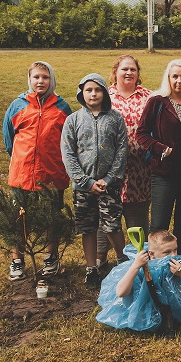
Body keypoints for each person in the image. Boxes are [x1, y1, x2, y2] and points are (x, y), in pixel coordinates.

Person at [3, 61, 72, 281]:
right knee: (20, 218)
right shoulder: (18, 105)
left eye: (45, 77)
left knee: (52, 217)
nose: (40, 81)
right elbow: (9, 139)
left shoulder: (62, 108)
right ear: (29, 79)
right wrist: (22, 159)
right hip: (23, 174)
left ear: (52, 80)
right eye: (36, 77)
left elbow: (69, 141)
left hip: (52, 174)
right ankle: (17, 261)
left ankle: (50, 258)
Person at [61, 74, 129, 288]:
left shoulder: (116, 119)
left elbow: (122, 150)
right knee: (88, 227)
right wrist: (86, 182)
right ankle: (91, 268)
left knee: (112, 225)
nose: (93, 94)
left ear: (105, 93)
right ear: (81, 93)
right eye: (88, 90)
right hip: (84, 187)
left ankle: (122, 261)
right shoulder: (73, 120)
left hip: (110, 185)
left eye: (97, 90)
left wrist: (109, 179)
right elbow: (68, 153)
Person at [136, 60, 181, 256]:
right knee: (159, 224)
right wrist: (162, 149)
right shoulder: (157, 102)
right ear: (168, 78)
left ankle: (177, 261)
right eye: (175, 76)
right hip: (163, 173)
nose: (179, 81)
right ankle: (155, 263)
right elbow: (141, 134)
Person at [97, 230, 181, 333]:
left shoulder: (178, 265)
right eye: (167, 252)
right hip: (143, 311)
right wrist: (135, 267)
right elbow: (121, 292)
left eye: (175, 250)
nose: (173, 255)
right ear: (151, 254)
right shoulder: (140, 267)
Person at [104, 55, 153, 267]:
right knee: (108, 218)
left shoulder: (149, 97)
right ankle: (106, 259)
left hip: (140, 170)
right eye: (124, 69)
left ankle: (138, 259)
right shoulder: (104, 95)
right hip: (110, 169)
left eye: (133, 69)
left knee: (138, 218)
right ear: (116, 71)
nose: (129, 73)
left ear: (138, 73)